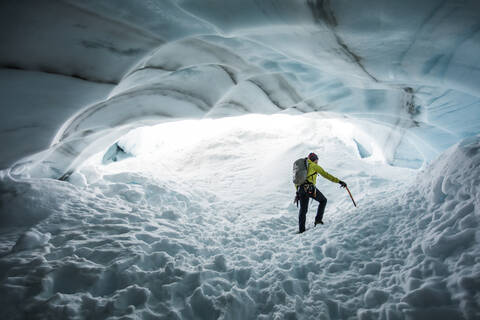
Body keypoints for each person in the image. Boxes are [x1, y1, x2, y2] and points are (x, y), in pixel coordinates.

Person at [294, 152, 347, 233]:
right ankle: (318, 221)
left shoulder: (304, 166)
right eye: (316, 160)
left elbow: (297, 180)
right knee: (323, 200)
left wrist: (297, 192)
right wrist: (339, 181)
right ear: (314, 160)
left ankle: (301, 229)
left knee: (303, 210)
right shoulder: (314, 166)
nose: (317, 162)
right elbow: (326, 175)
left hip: (300, 189)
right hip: (309, 188)